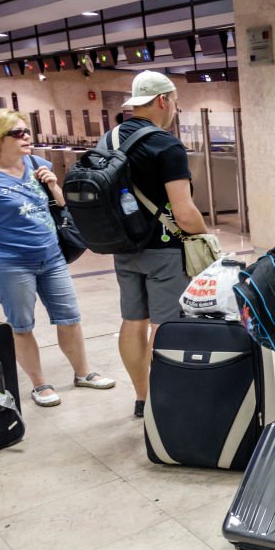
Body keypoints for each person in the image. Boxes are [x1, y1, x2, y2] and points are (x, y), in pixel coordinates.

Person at [0, 108, 115, 406]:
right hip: (10, 262)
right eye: (17, 133)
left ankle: (83, 373)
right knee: (22, 325)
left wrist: (54, 186)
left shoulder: (37, 163)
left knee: (69, 318)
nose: (26, 138)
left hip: (52, 256)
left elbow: (61, 207)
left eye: (27, 132)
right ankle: (40, 384)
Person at [113, 70, 208, 417]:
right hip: (163, 249)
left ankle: (143, 397)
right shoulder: (166, 145)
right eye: (175, 103)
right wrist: (206, 237)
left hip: (123, 246)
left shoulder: (108, 140)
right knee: (166, 327)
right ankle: (163, 401)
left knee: (133, 321)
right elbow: (184, 212)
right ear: (163, 100)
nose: (175, 111)